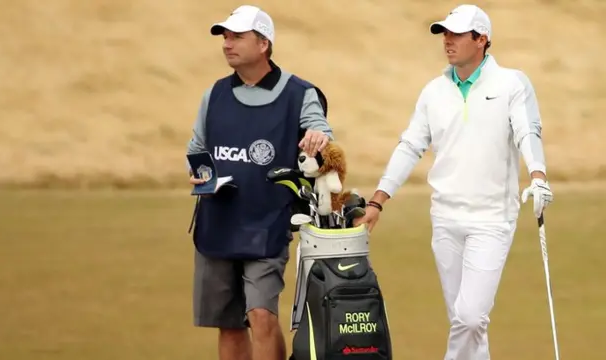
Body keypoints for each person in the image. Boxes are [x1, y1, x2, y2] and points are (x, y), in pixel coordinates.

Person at [354, 4, 554, 360]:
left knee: (470, 316)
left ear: (482, 39)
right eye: (445, 33)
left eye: (457, 34)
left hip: (491, 219)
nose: (448, 40)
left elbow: (528, 130)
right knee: (466, 323)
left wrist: (537, 174)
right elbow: (410, 145)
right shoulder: (433, 91)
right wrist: (377, 200)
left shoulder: (511, 83)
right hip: (445, 218)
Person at [185, 5, 333, 360]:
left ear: (264, 43)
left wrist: (317, 136)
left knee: (261, 315)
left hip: (267, 224)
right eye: (224, 36)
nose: (226, 44)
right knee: (230, 323)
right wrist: (203, 176)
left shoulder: (299, 93)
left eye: (237, 36)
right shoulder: (215, 95)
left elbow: (322, 133)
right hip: (218, 224)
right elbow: (197, 150)